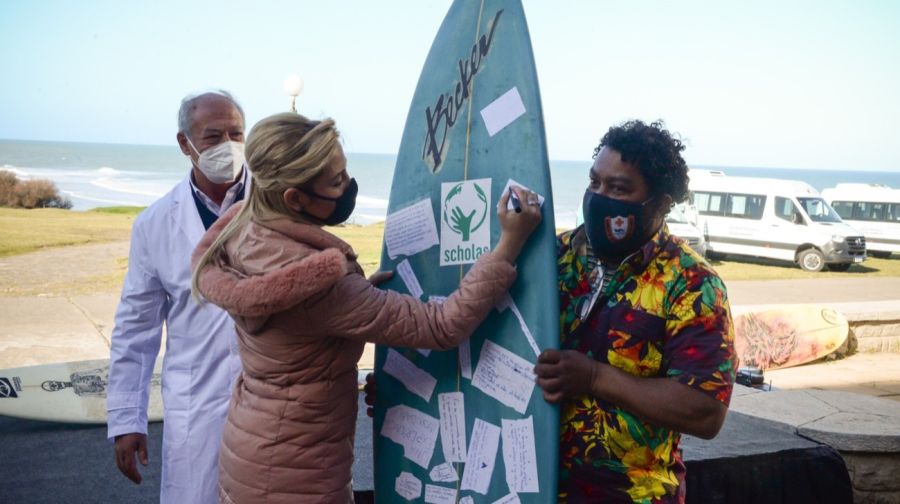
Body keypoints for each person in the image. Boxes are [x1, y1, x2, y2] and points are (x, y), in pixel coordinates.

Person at [190, 112, 542, 503]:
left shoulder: (246, 230)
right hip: (297, 474)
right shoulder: (322, 288)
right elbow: (443, 326)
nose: (347, 185)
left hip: (252, 449)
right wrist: (509, 244)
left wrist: (357, 297)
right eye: (336, 180)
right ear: (294, 198)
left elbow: (297, 325)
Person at [534, 119, 736, 502]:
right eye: (594, 183)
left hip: (632, 495)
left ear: (659, 203)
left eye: (618, 188)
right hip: (532, 488)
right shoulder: (549, 257)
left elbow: (705, 413)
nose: (599, 196)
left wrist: (594, 377)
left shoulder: (692, 283)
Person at [106, 90, 248, 503]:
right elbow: (137, 327)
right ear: (185, 144)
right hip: (197, 403)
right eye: (213, 136)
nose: (228, 145)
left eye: (237, 133)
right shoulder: (154, 224)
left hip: (271, 398)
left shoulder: (277, 202)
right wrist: (126, 419)